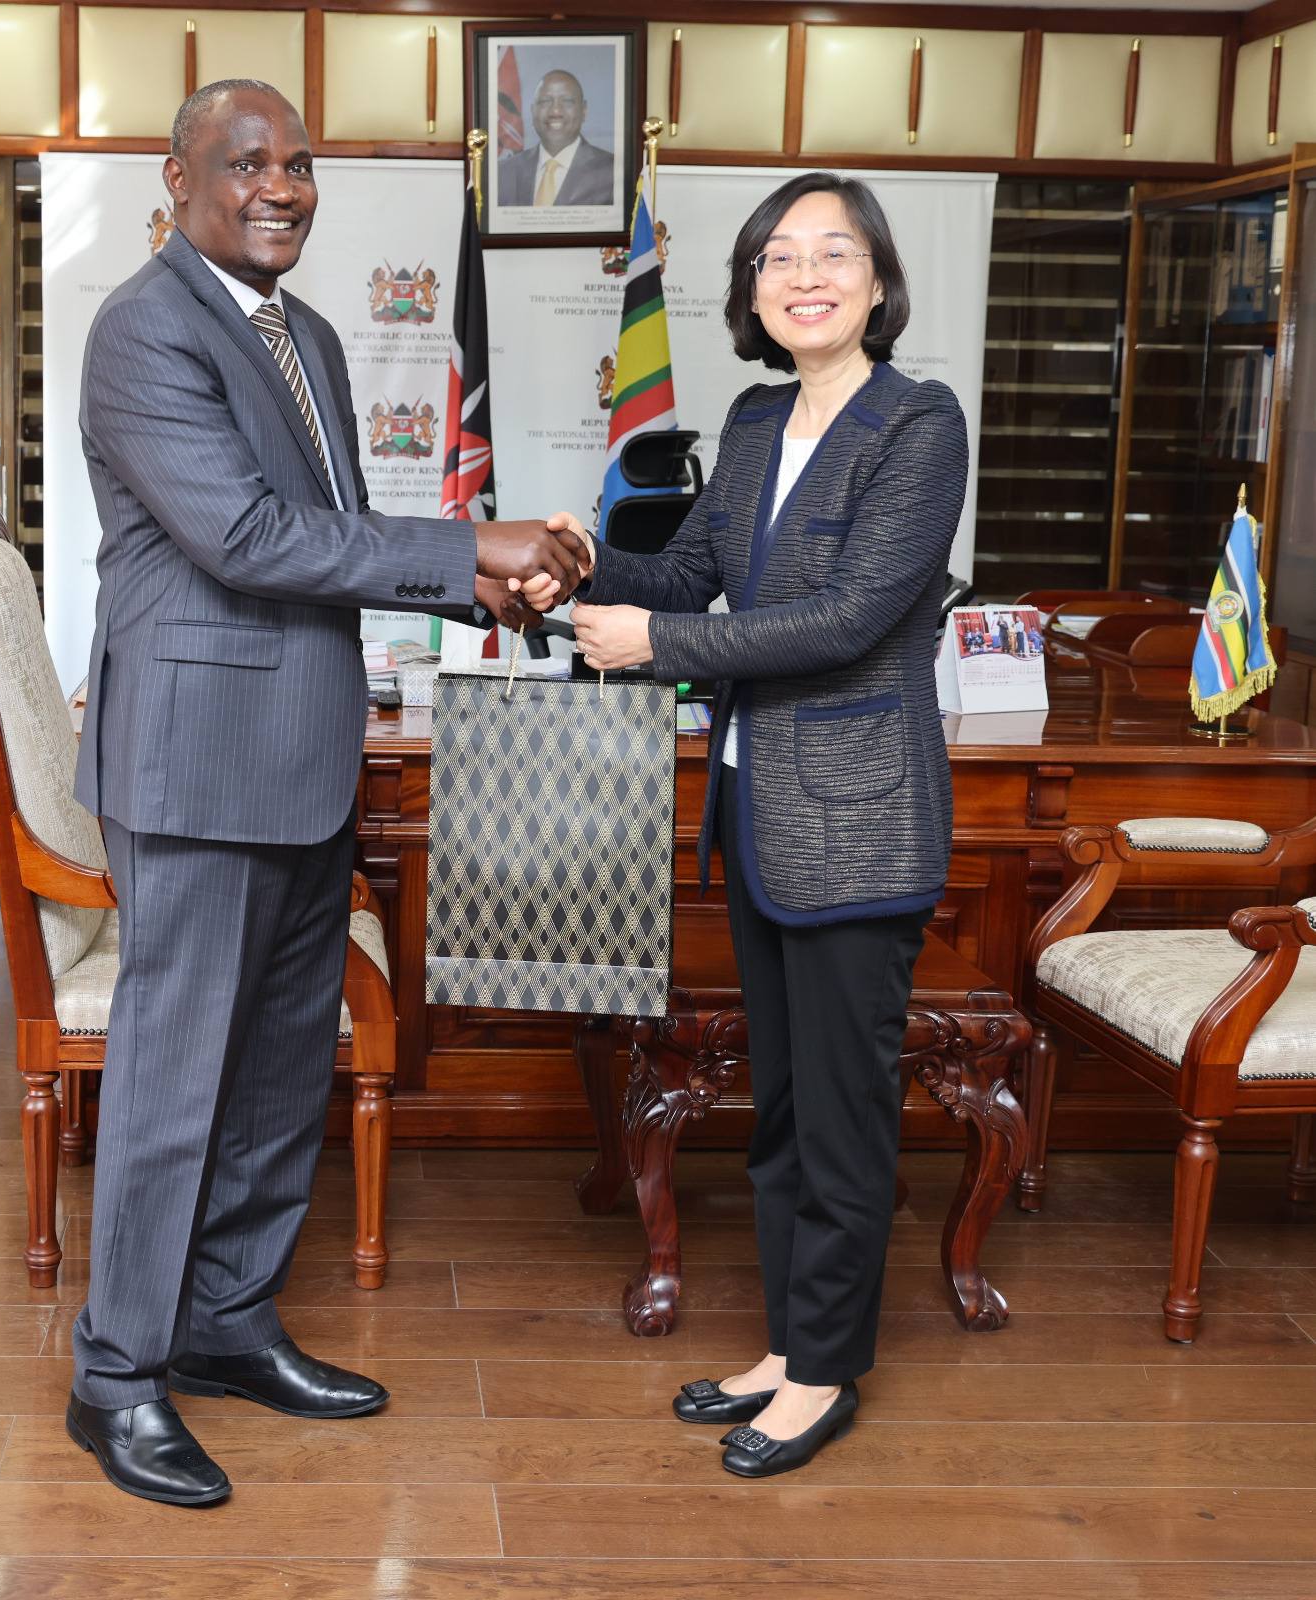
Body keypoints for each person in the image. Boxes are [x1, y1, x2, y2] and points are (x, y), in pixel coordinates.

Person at [67, 77, 583, 1507]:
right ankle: (115, 1378)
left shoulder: (308, 335)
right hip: (194, 762)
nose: (278, 185)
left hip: (297, 757)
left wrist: (498, 594)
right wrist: (468, 543)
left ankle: (225, 1321)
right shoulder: (144, 328)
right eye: (243, 164)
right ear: (175, 181)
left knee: (283, 1066)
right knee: (175, 1083)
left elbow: (337, 538)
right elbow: (242, 536)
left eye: (296, 163)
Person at [542, 172, 969, 1479]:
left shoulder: (917, 424)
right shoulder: (751, 415)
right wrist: (584, 562)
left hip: (857, 822)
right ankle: (791, 1344)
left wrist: (652, 640)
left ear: (877, 281)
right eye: (775, 257)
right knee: (782, 1111)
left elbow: (843, 620)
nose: (803, 275)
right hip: (760, 816)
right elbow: (695, 574)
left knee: (842, 1115)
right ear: (749, 293)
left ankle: (828, 1371)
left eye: (830, 253)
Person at [497, 68, 616, 208]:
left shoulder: (613, 172)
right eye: (545, 101)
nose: (555, 111)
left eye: (567, 101)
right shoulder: (503, 173)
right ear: (532, 110)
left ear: (584, 110)